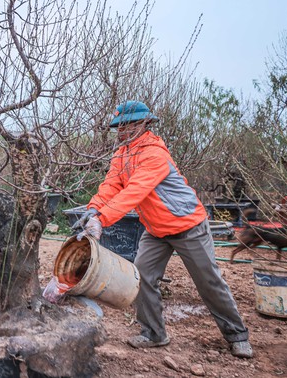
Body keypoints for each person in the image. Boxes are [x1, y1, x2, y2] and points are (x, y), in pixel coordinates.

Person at [73, 100, 253, 359]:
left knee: (208, 282)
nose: (121, 131)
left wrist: (104, 219)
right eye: (118, 127)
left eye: (127, 125)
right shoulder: (122, 154)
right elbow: (111, 187)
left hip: (187, 225)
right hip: (156, 229)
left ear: (144, 123)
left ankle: (237, 335)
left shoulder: (154, 154)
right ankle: (154, 333)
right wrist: (93, 211)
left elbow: (135, 191)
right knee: (142, 276)